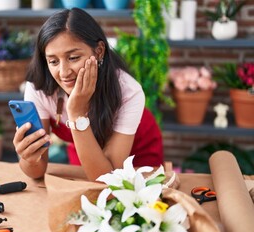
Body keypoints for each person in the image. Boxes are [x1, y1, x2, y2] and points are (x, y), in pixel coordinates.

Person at [13, 7, 163, 181]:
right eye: (53, 61)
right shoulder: (39, 87)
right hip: (85, 146)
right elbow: (38, 172)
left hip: (138, 154)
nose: (63, 72)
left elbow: (109, 179)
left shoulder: (129, 91)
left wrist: (76, 113)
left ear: (99, 51)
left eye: (73, 58)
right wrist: (28, 157)